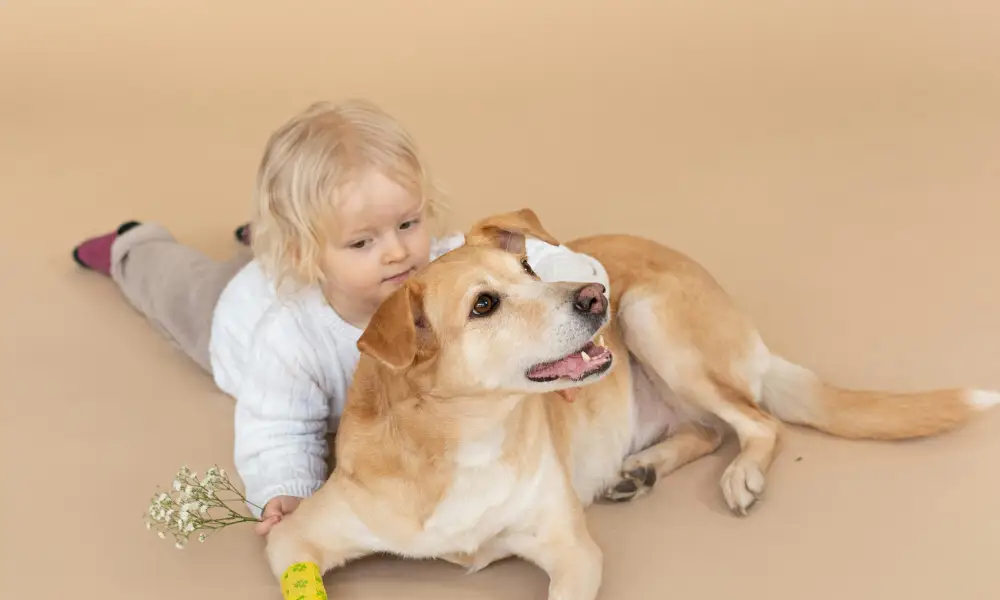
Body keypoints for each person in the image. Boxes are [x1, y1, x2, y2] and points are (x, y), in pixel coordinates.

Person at [71, 99, 609, 536]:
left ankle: (268, 236)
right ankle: (133, 247)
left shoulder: (448, 270)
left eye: (407, 223)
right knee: (176, 288)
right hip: (231, 315)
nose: (397, 252)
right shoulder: (290, 337)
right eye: (362, 241)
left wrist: (574, 318)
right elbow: (279, 427)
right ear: (307, 257)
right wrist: (289, 491)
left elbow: (551, 268)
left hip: (299, 254)